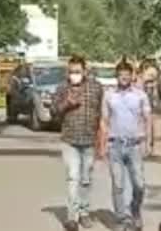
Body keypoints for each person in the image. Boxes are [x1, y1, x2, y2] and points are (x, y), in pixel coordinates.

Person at [100, 59, 153, 231]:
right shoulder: (109, 95)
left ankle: (135, 209)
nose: (124, 78)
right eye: (120, 75)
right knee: (118, 185)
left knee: (139, 184)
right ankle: (120, 219)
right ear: (116, 77)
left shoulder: (140, 96)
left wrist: (149, 142)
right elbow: (104, 120)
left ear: (131, 76)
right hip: (115, 145)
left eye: (127, 75)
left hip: (134, 146)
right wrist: (102, 144)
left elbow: (148, 120)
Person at [53, 55, 105, 231]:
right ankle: (72, 217)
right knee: (73, 177)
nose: (74, 75)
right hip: (70, 141)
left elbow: (100, 114)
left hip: (89, 141)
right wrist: (66, 104)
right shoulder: (62, 88)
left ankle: (84, 212)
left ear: (85, 71)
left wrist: (101, 140)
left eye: (77, 71)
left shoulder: (96, 88)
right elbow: (54, 111)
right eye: (71, 71)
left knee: (86, 179)